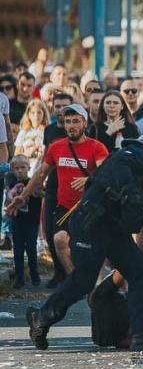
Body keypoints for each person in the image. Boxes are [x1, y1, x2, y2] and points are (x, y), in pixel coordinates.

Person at [22, 128, 143, 352]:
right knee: (84, 280)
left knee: (140, 272)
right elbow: (121, 168)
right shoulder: (133, 154)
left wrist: (137, 206)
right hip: (91, 226)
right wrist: (132, 193)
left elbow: (130, 221)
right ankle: (41, 318)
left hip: (111, 229)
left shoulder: (140, 167)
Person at [27, 105, 110, 277]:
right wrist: (23, 196)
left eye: (76, 121)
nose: (71, 125)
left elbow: (106, 173)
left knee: (94, 248)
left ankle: (98, 283)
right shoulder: (56, 147)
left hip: (90, 207)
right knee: (59, 239)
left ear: (84, 123)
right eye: (67, 122)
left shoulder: (97, 147)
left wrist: (89, 180)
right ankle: (76, 279)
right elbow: (41, 173)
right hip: (65, 207)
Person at [40, 93, 72, 288]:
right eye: (58, 105)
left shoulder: (76, 129)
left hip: (73, 186)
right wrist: (38, 181)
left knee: (70, 232)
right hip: (53, 184)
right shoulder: (50, 130)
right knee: (51, 230)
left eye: (65, 106)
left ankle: (72, 271)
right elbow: (46, 158)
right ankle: (59, 272)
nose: (61, 109)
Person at [5, 155, 42, 288]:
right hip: (17, 221)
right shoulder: (11, 185)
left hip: (31, 221)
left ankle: (34, 274)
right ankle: (19, 276)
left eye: (23, 167)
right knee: (18, 249)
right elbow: (8, 200)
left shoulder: (33, 183)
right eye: (16, 168)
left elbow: (40, 193)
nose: (20, 171)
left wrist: (37, 192)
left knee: (31, 249)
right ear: (12, 170)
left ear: (28, 168)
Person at [14, 99, 49, 174]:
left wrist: (43, 153)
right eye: (33, 113)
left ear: (44, 114)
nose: (36, 116)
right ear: (28, 115)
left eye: (39, 112)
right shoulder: (23, 132)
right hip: (27, 173)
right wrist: (26, 153)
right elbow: (16, 156)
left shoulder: (48, 131)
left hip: (43, 172)